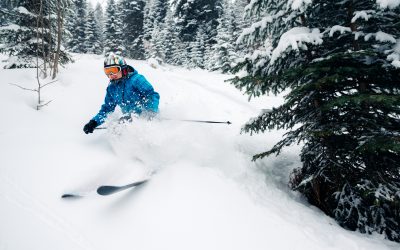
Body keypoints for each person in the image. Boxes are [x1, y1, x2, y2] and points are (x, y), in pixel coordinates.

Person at [83, 53, 160, 134]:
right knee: (117, 130)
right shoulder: (112, 88)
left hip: (146, 117)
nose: (111, 75)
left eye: (114, 70)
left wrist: (149, 113)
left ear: (123, 68)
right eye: (108, 71)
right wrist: (94, 123)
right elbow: (107, 109)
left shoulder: (137, 80)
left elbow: (152, 95)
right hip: (129, 119)